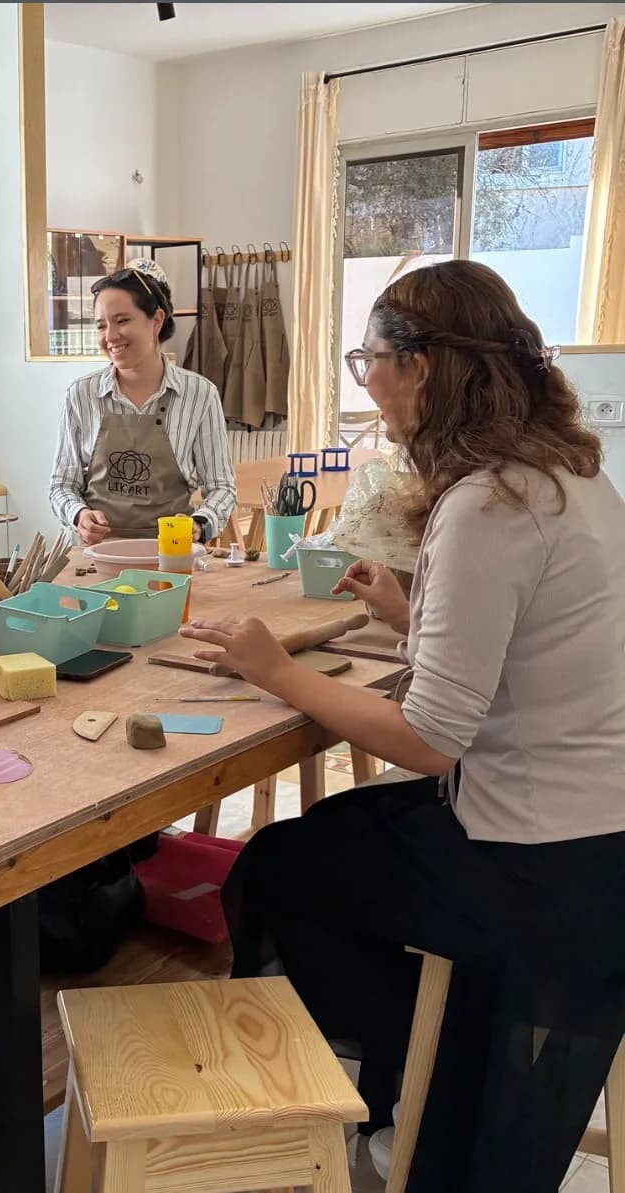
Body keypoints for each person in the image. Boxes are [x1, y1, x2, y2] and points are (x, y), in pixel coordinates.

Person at [181, 260, 625, 1193]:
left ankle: (418, 1097)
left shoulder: (487, 504)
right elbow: (523, 642)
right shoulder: (566, 477)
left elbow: (428, 739)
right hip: (595, 835)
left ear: (422, 368)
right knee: (336, 840)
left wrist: (278, 670)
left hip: (546, 866)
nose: (368, 385)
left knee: (278, 871)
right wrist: (405, 607)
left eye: (369, 360)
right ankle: (408, 1087)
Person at [48, 258, 236, 546]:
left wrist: (199, 525)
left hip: (169, 557)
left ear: (156, 321)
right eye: (101, 326)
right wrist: (79, 515)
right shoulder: (81, 395)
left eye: (122, 321)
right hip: (94, 558)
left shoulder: (200, 395)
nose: (110, 336)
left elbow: (222, 488)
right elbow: (62, 486)